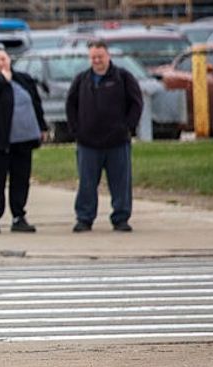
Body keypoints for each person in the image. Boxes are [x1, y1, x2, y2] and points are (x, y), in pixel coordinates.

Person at [66, 41, 142, 233]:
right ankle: (84, 218)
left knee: (120, 183)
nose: (97, 60)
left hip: (117, 142)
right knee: (87, 183)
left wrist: (127, 127)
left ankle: (121, 218)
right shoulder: (82, 80)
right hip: (88, 143)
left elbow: (136, 103)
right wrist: (76, 130)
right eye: (93, 57)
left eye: (100, 56)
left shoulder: (123, 78)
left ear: (108, 56)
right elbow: (71, 105)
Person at [0, 48, 47, 234]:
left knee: (21, 180)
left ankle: (18, 217)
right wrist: (2, 79)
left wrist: (42, 127)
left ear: (9, 59)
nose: (2, 63)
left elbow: (36, 103)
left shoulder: (23, 79)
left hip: (22, 141)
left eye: (4, 59)